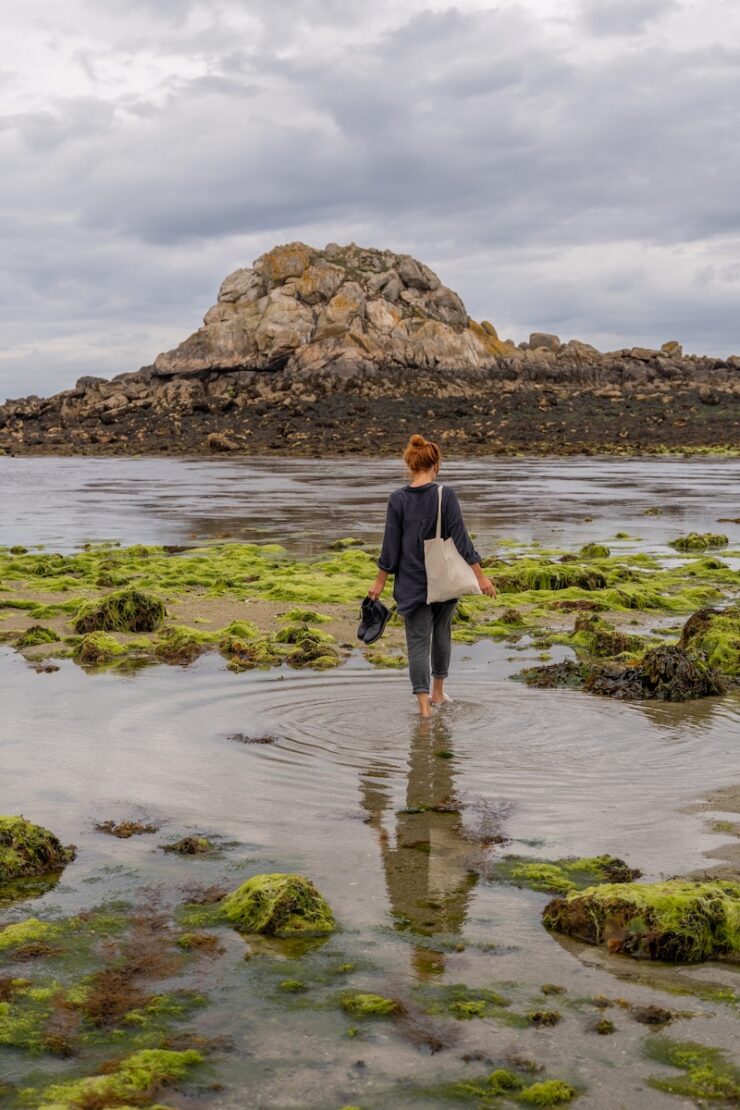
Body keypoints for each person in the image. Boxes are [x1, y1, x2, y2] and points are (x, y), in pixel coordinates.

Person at [368, 434, 495, 716]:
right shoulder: (444, 495)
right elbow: (461, 540)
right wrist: (480, 576)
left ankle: (424, 709)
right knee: (441, 635)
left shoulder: (397, 499)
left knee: (417, 643)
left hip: (412, 583)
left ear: (410, 466)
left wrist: (379, 582)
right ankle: (438, 693)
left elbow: (390, 547)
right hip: (444, 580)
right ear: (435, 465)